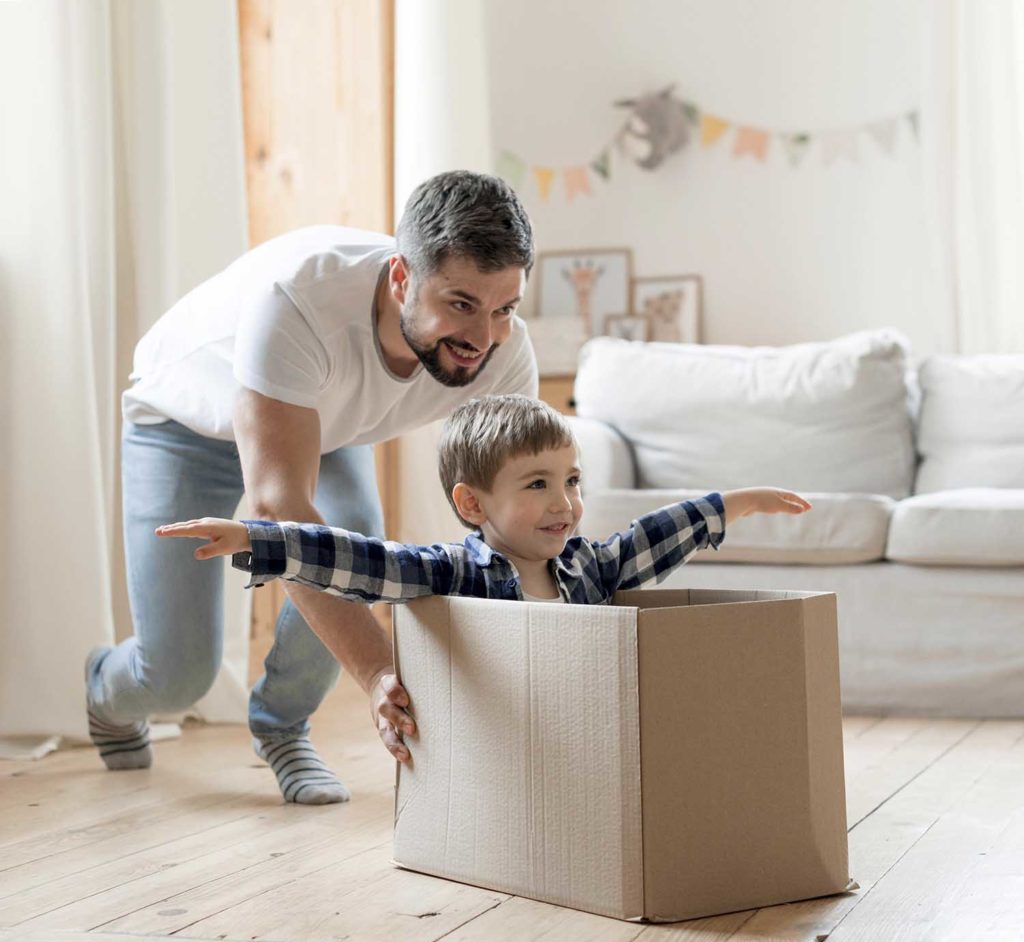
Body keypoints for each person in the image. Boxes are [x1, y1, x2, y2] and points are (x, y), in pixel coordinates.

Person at [86, 171, 538, 805]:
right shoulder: (299, 302)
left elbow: (518, 508)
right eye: (461, 305)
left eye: (504, 308)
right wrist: (383, 673)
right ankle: (106, 688)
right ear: (401, 278)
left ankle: (281, 725)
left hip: (317, 423)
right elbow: (280, 512)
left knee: (352, 542)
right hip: (188, 425)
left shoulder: (502, 349)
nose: (483, 340)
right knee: (178, 676)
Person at [156, 394, 813, 767]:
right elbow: (356, 560)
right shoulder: (450, 572)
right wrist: (257, 539)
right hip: (492, 754)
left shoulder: (588, 567)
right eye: (538, 485)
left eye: (571, 481)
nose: (565, 504)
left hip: (579, 746)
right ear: (473, 505)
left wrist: (734, 505)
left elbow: (649, 541)